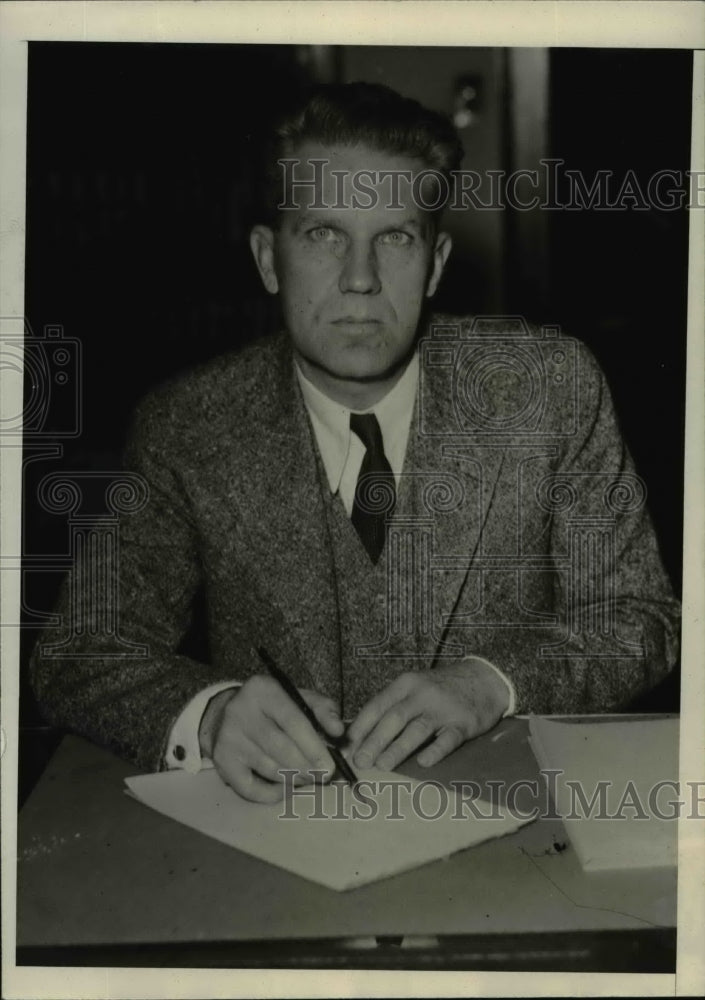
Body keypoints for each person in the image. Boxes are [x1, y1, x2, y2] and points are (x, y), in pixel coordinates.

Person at [30, 82, 680, 803]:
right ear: (268, 258)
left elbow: (638, 619)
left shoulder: (548, 387)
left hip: (518, 833)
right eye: (323, 235)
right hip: (278, 849)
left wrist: (494, 682)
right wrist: (211, 714)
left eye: (395, 239)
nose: (361, 280)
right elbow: (77, 651)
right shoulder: (188, 425)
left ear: (433, 264)